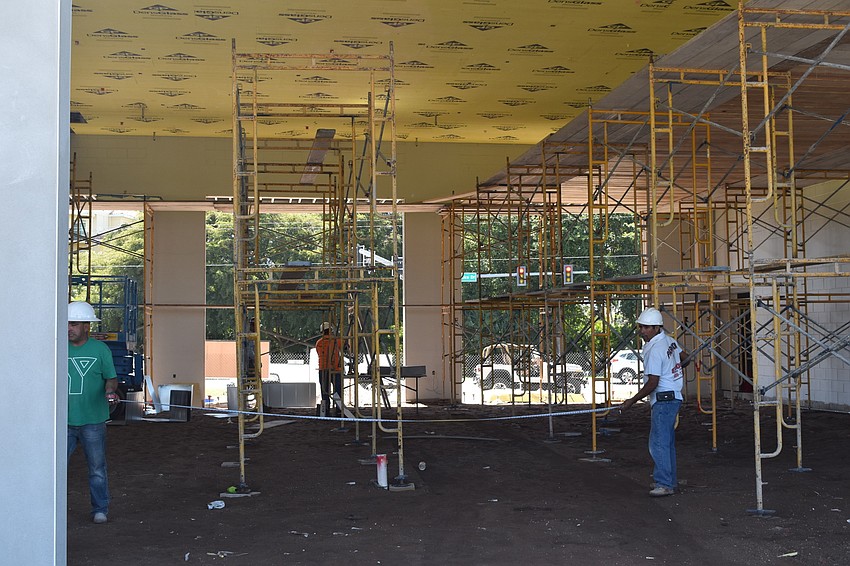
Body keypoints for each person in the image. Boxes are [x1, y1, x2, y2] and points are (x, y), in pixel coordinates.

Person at [620, 307, 690, 498]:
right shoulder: (669, 340)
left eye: (646, 327)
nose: (642, 330)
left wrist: (631, 401)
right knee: (666, 443)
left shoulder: (655, 349)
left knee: (658, 444)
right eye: (641, 326)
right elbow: (686, 359)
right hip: (673, 396)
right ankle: (670, 481)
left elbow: (653, 382)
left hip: (663, 399)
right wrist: (673, 370)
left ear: (656, 327)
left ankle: (664, 483)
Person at [67, 301, 119, 523]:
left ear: (87, 326)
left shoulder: (100, 350)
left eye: (74, 324)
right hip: (61, 421)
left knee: (97, 468)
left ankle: (100, 508)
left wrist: (109, 392)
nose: (69, 328)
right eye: (67, 323)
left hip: (93, 421)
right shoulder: (57, 347)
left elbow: (112, 378)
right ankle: (51, 510)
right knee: (55, 469)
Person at [315, 321, 343, 417]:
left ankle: (326, 410)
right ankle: (339, 410)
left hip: (323, 369)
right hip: (336, 369)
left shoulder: (319, 342)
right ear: (331, 330)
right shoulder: (337, 341)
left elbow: (319, 353)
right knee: (337, 391)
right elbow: (346, 348)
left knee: (325, 391)